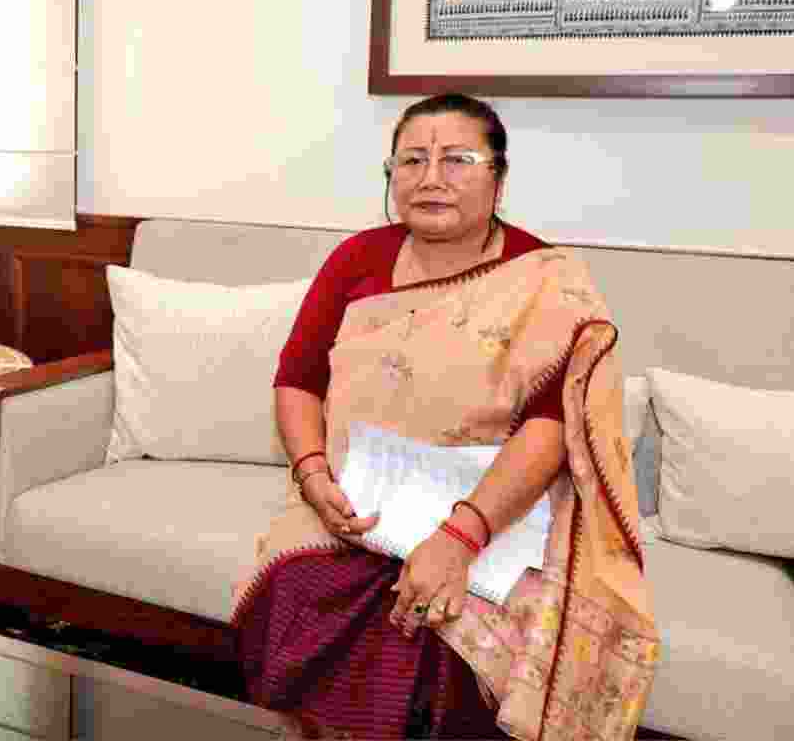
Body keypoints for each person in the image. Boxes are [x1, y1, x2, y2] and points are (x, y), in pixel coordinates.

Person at [232, 94, 658, 740]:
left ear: (498, 176)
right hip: (352, 500)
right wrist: (314, 474)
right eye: (412, 161)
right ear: (391, 177)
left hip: (494, 511)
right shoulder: (357, 259)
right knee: (297, 590)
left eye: (457, 159)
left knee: (428, 633)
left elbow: (551, 429)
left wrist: (461, 538)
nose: (431, 178)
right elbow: (298, 380)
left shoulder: (548, 280)